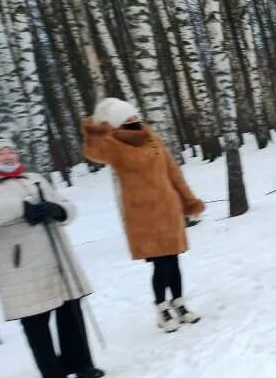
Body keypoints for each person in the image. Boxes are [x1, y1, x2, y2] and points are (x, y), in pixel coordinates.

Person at [0, 133, 102, 378]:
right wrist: (20, 207)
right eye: (0, 153)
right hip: (20, 265)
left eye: (10, 151)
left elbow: (66, 205)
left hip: (57, 258)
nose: (8, 156)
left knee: (71, 312)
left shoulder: (33, 179)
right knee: (36, 323)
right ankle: (54, 376)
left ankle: (81, 364)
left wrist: (58, 211)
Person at [81, 98, 205, 330]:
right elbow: (93, 152)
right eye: (126, 118)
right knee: (160, 264)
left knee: (173, 259)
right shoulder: (113, 144)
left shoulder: (153, 139)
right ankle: (162, 309)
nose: (133, 120)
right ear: (117, 123)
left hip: (168, 209)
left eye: (134, 115)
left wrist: (189, 201)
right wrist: (94, 129)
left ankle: (179, 304)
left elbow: (173, 172)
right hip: (143, 215)